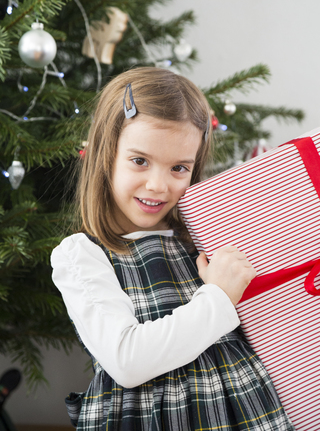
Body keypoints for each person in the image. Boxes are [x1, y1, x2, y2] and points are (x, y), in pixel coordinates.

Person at [51, 67, 294, 430]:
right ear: (106, 154)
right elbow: (127, 360)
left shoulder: (203, 237)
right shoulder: (81, 255)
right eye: (139, 160)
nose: (158, 185)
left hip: (244, 414)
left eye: (179, 167)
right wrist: (217, 298)